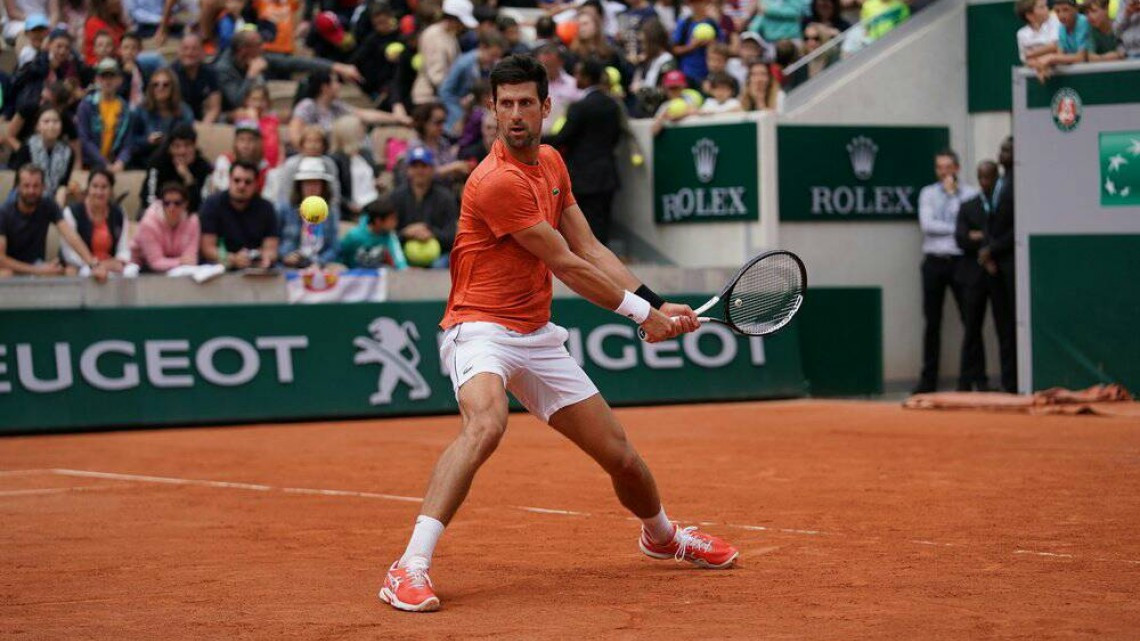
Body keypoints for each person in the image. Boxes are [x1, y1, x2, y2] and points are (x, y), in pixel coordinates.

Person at [379, 54, 738, 614]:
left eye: (526, 103)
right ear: (492, 112)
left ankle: (662, 537)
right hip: (479, 329)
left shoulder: (551, 162)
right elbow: (567, 265)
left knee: (621, 457)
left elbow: (592, 247)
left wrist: (656, 302)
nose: (516, 114)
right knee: (486, 423)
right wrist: (643, 318)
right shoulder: (496, 181)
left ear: (546, 107)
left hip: (537, 334)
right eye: (506, 105)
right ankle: (409, 566)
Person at [913, 149, 979, 394]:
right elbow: (928, 226)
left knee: (969, 321)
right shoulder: (928, 194)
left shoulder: (970, 194)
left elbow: (976, 225)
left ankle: (970, 380)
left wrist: (954, 199)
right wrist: (961, 230)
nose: (944, 172)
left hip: (962, 262)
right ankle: (928, 381)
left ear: (957, 169)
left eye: (947, 167)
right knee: (932, 323)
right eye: (939, 168)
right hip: (934, 262)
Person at [545, 57, 623, 245]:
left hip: (583, 175)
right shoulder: (612, 105)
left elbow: (562, 138)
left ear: (587, 78)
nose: (576, 78)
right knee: (603, 224)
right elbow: (615, 137)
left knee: (586, 230)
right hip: (606, 173)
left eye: (579, 74)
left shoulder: (580, 107)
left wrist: (535, 140)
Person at [214, 28, 362, 112]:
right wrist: (251, 76)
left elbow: (294, 63)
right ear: (243, 50)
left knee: (305, 85)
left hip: (262, 109)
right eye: (258, 45)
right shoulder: (223, 68)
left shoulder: (257, 57)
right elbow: (236, 102)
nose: (263, 48)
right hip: (233, 115)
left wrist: (336, 66)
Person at [0, 164, 105, 279]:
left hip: (37, 264)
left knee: (68, 271)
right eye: (26, 186)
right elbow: (1, 259)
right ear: (17, 187)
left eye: (36, 186)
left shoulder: (47, 205)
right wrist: (38, 270)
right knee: (5, 275)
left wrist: (92, 264)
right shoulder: (4, 213)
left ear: (43, 187)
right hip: (11, 268)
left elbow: (70, 235)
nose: (31, 191)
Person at [954, 160, 1000, 392]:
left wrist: (981, 238)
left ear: (996, 177)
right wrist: (985, 243)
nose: (984, 182)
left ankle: (995, 383)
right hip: (972, 276)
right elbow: (961, 238)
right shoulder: (968, 205)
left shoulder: (1002, 204)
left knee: (1004, 328)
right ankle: (965, 382)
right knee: (971, 329)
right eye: (981, 177)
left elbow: (1002, 234)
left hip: (997, 274)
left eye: (989, 177)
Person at [288, 68, 410, 150]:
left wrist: (397, 119)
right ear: (325, 87)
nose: (339, 86)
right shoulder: (307, 106)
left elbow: (364, 114)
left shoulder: (335, 106)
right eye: (335, 82)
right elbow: (295, 134)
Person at [199, 159, 280, 270]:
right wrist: (233, 259)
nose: (241, 186)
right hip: (221, 268)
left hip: (255, 269)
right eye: (237, 180)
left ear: (256, 184)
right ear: (229, 180)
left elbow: (271, 249)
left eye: (248, 182)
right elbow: (207, 249)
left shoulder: (266, 208)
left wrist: (263, 258)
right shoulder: (212, 204)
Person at [984, 137, 1017, 393]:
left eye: (1006, 149)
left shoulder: (1019, 182)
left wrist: (992, 250)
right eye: (1001, 149)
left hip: (1011, 263)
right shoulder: (1000, 182)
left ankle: (1017, 381)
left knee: (1014, 325)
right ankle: (1008, 382)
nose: (1001, 153)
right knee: (1002, 326)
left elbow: (1017, 225)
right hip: (995, 264)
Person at [391, 146, 457, 266]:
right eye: (415, 166)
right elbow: (386, 235)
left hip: (438, 256)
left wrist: (431, 232)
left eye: (424, 166)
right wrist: (405, 233)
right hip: (403, 254)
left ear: (432, 169)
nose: (419, 171)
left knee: (441, 264)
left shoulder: (446, 198)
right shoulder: (396, 197)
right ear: (407, 170)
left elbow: (453, 236)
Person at [60, 169, 133, 274]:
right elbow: (68, 252)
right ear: (88, 188)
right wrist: (95, 265)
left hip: (111, 265)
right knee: (87, 273)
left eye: (104, 187)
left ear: (111, 190)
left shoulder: (119, 213)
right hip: (83, 266)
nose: (99, 192)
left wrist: (118, 262)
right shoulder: (71, 212)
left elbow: (124, 247)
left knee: (131, 271)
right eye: (95, 186)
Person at [276, 156, 341, 267]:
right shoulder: (285, 209)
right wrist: (285, 256)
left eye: (316, 183)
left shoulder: (331, 212)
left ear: (323, 186)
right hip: (288, 265)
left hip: (320, 265)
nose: (311, 188)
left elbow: (335, 247)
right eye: (307, 183)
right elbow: (273, 241)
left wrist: (319, 262)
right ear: (300, 186)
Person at [438, 30, 506, 133]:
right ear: (482, 47)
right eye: (492, 55)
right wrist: (458, 113)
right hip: (459, 113)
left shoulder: (494, 65)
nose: (495, 59)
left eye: (497, 56)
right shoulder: (464, 64)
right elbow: (445, 91)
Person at [8, 107, 75, 207]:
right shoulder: (26, 148)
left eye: (56, 121)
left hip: (53, 196)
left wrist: (58, 206)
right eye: (46, 121)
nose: (51, 125)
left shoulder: (68, 152)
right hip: (27, 192)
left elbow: (63, 184)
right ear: (38, 126)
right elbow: (20, 181)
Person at [129, 67, 195, 168]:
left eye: (166, 85)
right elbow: (131, 141)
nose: (160, 88)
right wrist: (147, 141)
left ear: (173, 87)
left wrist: (169, 142)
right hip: (146, 160)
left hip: (176, 160)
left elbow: (189, 139)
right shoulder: (141, 110)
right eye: (156, 85)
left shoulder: (184, 111)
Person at [141, 123, 213, 214]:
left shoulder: (204, 168)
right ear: (170, 148)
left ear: (195, 146)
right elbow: (148, 198)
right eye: (177, 146)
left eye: (187, 145)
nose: (182, 151)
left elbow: (202, 206)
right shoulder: (157, 163)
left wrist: (188, 179)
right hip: (158, 215)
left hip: (189, 218)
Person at [131, 181, 201, 272]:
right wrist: (180, 261)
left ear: (185, 204)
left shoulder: (193, 221)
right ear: (161, 203)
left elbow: (191, 259)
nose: (171, 208)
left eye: (177, 203)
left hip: (177, 269)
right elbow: (155, 262)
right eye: (167, 203)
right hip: (142, 267)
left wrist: (182, 262)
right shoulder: (148, 224)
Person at [76, 58, 133, 171]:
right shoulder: (87, 105)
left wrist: (121, 161)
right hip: (91, 165)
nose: (108, 81)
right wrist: (103, 162)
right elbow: (84, 139)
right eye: (103, 77)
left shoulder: (125, 108)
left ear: (119, 80)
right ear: (97, 79)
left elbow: (128, 142)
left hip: (115, 164)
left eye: (112, 76)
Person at [329, 114, 378, 220]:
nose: (364, 130)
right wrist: (348, 205)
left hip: (373, 204)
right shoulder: (336, 159)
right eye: (360, 128)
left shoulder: (366, 153)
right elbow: (332, 190)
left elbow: (374, 176)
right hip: (351, 209)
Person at [339, 196, 408, 269]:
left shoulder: (389, 236)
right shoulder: (354, 236)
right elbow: (341, 256)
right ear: (378, 221)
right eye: (391, 219)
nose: (395, 223)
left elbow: (399, 260)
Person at [171, 33, 222, 123]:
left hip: (204, 121)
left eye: (194, 49)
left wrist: (203, 128)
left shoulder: (210, 73)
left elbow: (214, 107)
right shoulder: (170, 74)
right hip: (177, 121)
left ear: (202, 52)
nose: (189, 53)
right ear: (178, 51)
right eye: (185, 48)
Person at [211, 119, 271, 195]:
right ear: (235, 143)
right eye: (241, 140)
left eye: (251, 140)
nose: (245, 145)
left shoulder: (265, 167)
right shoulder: (225, 161)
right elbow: (222, 192)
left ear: (258, 143)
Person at [672, 0, 721, 84]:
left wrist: (712, 44)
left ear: (706, 3)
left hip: (709, 74)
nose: (697, 6)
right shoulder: (684, 23)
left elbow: (722, 47)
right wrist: (691, 46)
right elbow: (674, 49)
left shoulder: (713, 23)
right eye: (694, 3)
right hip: (687, 73)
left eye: (700, 2)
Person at [1015, 0, 1061, 74]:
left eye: (1046, 5)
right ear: (1030, 15)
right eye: (1042, 7)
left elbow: (1056, 46)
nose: (1047, 9)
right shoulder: (1021, 34)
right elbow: (1026, 59)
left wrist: (1032, 53)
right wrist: (1039, 66)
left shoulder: (1055, 19)